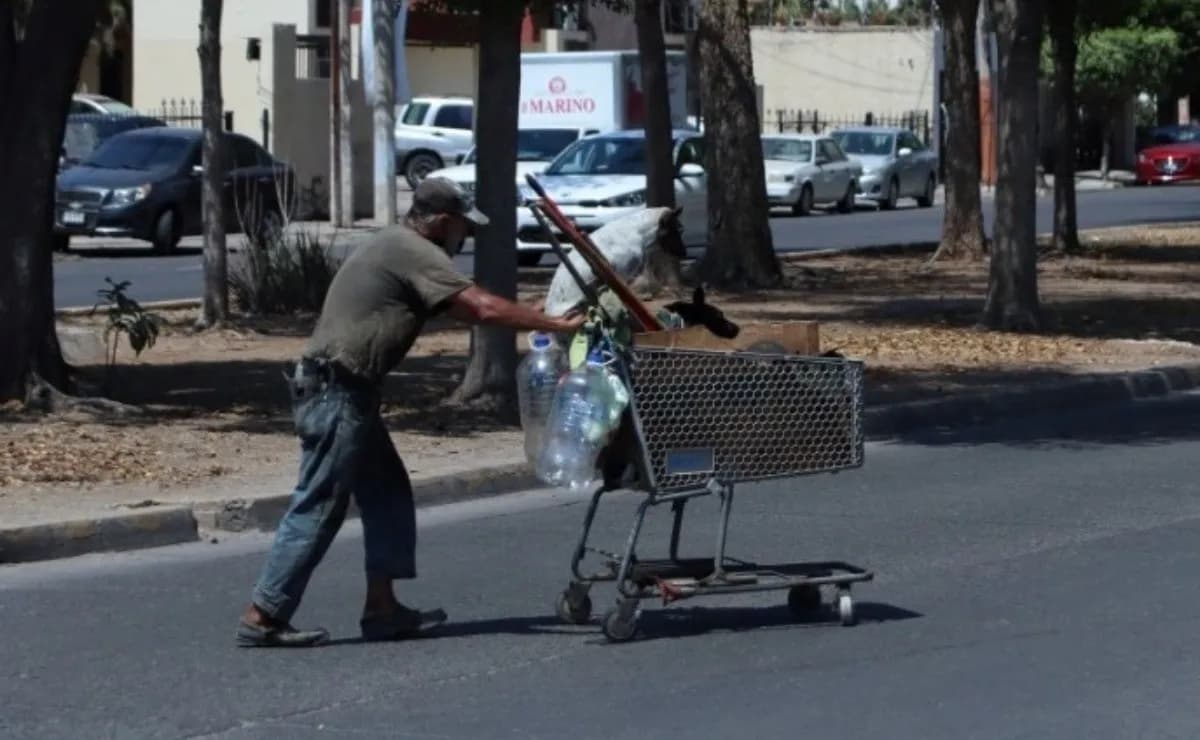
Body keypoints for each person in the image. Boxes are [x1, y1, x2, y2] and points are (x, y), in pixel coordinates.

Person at [236, 178, 584, 648]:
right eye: (463, 227)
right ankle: (264, 611)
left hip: (345, 390)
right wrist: (551, 323)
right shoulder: (415, 251)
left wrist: (530, 313)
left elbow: (466, 306)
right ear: (442, 222)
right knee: (320, 503)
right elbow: (477, 307)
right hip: (336, 390)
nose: (465, 238)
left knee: (388, 493)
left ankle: (382, 607)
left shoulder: (393, 243)